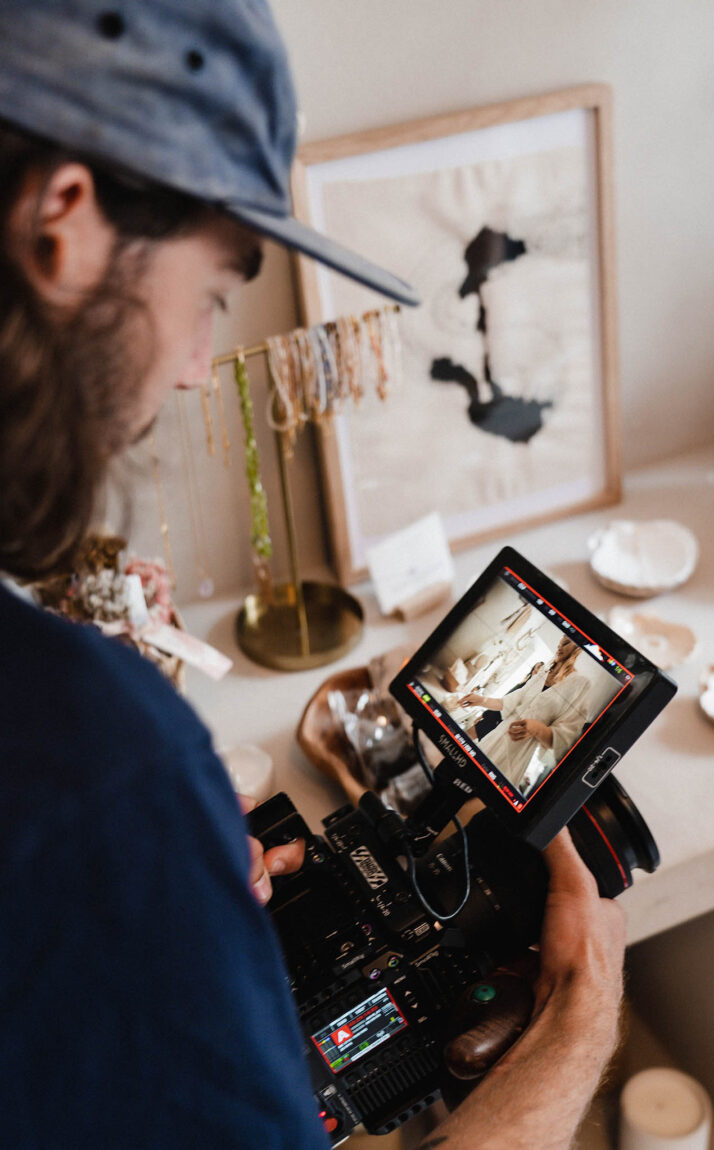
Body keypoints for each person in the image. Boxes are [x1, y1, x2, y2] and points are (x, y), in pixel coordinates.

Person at [0, 3, 625, 1148]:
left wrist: (156, 890)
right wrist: (582, 1021)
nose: (195, 370)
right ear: (66, 226)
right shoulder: (97, 759)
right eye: (209, 297)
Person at [460, 638, 591, 793]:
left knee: (485, 794)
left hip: (516, 753)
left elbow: (565, 739)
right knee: (463, 779)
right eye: (561, 640)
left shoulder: (579, 684)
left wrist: (537, 728)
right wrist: (481, 700)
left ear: (579, 647)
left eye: (568, 642)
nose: (560, 644)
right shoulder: (543, 672)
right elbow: (510, 702)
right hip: (495, 738)